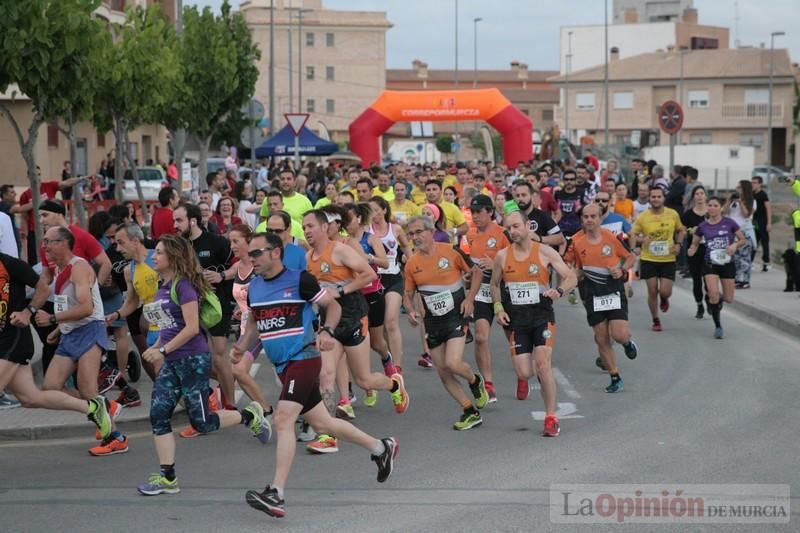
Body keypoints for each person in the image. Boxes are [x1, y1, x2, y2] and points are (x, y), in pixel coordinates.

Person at [237, 232, 398, 518]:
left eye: (257, 253)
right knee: (324, 424)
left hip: (305, 358)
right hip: (282, 366)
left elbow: (332, 306)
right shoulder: (255, 287)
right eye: (250, 255)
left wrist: (326, 331)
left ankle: (276, 492)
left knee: (283, 418)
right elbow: (253, 322)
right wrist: (240, 347)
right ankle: (380, 447)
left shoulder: (300, 280)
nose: (252, 259)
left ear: (275, 253)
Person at [136, 234, 270, 496]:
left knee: (203, 423)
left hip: (192, 360)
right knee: (158, 415)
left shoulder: (184, 285)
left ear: (173, 257)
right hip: (173, 360)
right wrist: (154, 349)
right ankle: (168, 477)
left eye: (160, 253)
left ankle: (250, 415)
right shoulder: (163, 288)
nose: (154, 256)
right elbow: (168, 328)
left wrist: (162, 350)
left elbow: (192, 327)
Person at [303, 210, 408, 453]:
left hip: (353, 317)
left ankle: (394, 385)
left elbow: (369, 275)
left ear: (324, 227)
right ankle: (328, 436)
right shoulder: (309, 257)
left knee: (363, 380)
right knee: (326, 374)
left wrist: (339, 292)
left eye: (310, 226)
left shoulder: (340, 250)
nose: (307, 231)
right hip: (329, 322)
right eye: (304, 226)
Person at [33, 226, 129, 456]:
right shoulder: (59, 270)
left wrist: (53, 318)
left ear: (64, 243)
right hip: (70, 333)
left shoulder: (79, 267)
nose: (44, 246)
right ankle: (104, 407)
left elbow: (87, 308)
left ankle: (115, 437)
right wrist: (59, 328)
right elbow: (69, 304)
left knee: (87, 388)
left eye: (49, 241)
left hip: (90, 329)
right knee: (50, 387)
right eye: (44, 241)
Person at [0, 250, 114, 441]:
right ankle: (94, 407)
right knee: (30, 398)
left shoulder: (10, 264)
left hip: (13, 338)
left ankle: (109, 429)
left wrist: (28, 313)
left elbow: (43, 288)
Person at [490, 210, 575, 434]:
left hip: (541, 316)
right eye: (509, 228)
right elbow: (493, 284)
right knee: (524, 371)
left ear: (529, 226)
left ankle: (550, 417)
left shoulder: (544, 252)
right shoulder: (501, 256)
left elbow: (571, 276)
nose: (513, 232)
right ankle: (523, 379)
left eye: (516, 226)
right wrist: (498, 308)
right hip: (517, 319)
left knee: (543, 364)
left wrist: (558, 290)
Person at [403, 215, 488, 430]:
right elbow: (407, 294)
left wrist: (470, 299)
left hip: (456, 315)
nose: (415, 237)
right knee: (442, 370)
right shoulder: (412, 263)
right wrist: (411, 311)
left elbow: (476, 273)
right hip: (433, 321)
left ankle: (475, 380)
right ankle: (470, 411)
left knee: (452, 362)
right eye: (411, 234)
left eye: (418, 232)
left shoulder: (450, 251)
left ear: (431, 231)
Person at [173, 204, 236, 419]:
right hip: (191, 306)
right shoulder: (178, 246)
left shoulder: (217, 242)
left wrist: (223, 275)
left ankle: (230, 404)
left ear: (192, 221)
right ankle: (212, 393)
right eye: (174, 221)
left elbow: (240, 263)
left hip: (217, 305)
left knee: (218, 356)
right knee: (197, 357)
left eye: (179, 221)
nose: (175, 225)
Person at [571, 204, 638, 393]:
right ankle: (615, 377)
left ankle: (626, 343)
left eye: (593, 216)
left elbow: (630, 257)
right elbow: (577, 268)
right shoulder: (577, 242)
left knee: (619, 334)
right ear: (582, 219)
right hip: (592, 294)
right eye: (586, 217)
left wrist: (622, 269)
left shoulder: (611, 237)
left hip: (613, 290)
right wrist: (571, 281)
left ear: (600, 218)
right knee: (601, 339)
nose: (589, 220)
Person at [88, 212, 139, 406]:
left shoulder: (93, 242)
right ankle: (121, 374)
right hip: (112, 291)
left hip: (98, 291)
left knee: (101, 334)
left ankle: (105, 374)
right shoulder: (110, 242)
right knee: (120, 334)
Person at [465, 194, 510, 403]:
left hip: (504, 291)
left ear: (490, 212)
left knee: (516, 340)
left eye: (479, 212)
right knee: (481, 336)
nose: (475, 216)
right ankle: (488, 383)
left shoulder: (503, 234)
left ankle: (522, 376)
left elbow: (517, 261)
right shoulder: (471, 236)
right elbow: (473, 266)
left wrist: (496, 266)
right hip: (482, 292)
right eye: (472, 212)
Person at [222, 225, 272, 412]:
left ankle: (305, 414)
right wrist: (240, 308)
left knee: (283, 376)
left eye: (236, 241)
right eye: (230, 242)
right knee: (239, 370)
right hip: (249, 329)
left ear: (248, 241)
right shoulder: (236, 267)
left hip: (268, 326)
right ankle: (265, 410)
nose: (232, 246)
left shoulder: (260, 266)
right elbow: (223, 278)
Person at [688, 197, 746, 339]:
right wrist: (692, 249)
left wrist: (734, 245)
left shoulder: (729, 223)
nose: (712, 207)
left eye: (715, 205)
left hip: (727, 264)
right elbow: (695, 243)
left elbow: (743, 240)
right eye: (710, 205)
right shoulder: (702, 226)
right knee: (713, 293)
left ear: (720, 208)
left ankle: (714, 302)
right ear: (707, 208)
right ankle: (718, 326)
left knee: (728, 299)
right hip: (710, 264)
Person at [110, 222, 160, 383]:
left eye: (120, 242)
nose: (118, 249)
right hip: (153, 329)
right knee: (162, 373)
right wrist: (117, 314)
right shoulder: (128, 271)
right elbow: (132, 302)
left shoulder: (160, 257)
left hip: (173, 327)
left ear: (135, 240)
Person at [631, 186, 685, 332]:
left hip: (668, 258)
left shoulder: (672, 214)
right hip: (648, 258)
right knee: (652, 290)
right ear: (649, 198)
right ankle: (656, 319)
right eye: (653, 196)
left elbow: (681, 230)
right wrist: (642, 241)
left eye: (658, 196)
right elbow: (633, 235)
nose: (656, 199)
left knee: (665, 291)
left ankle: (665, 299)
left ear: (663, 198)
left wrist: (679, 244)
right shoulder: (643, 217)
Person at [368, 197, 413, 373]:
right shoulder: (367, 231)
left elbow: (406, 247)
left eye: (376, 210)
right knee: (381, 329)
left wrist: (412, 264)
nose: (374, 214)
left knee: (392, 321)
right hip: (374, 280)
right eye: (370, 211)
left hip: (393, 279)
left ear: (384, 210)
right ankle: (388, 359)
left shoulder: (395, 229)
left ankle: (397, 367)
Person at [681, 186, 709, 319]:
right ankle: (699, 305)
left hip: (709, 249)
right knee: (697, 279)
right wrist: (690, 231)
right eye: (697, 194)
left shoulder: (711, 212)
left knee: (709, 278)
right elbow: (682, 232)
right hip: (694, 250)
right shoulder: (688, 214)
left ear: (705, 196)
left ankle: (711, 300)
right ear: (693, 197)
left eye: (702, 193)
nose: (699, 196)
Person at [512, 181, 566, 247]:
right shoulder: (512, 217)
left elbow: (560, 238)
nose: (520, 198)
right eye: (517, 196)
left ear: (532, 196)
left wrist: (539, 238)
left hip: (538, 255)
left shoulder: (542, 216)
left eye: (524, 195)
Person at [725, 180, 756, 289]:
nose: (737, 189)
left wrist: (740, 202)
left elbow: (746, 215)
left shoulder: (752, 201)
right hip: (732, 233)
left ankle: (745, 281)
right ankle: (738, 279)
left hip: (744, 232)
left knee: (744, 258)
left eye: (739, 187)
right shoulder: (733, 201)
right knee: (736, 258)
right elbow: (724, 212)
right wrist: (729, 201)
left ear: (744, 189)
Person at [553, 169, 584, 238]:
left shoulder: (582, 193)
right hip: (561, 231)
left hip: (577, 230)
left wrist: (580, 208)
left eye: (571, 179)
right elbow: (553, 211)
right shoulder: (558, 194)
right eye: (566, 179)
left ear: (575, 180)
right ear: (563, 180)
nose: (569, 181)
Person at [751, 176, 771, 272]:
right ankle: (750, 262)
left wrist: (769, 223)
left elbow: (768, 208)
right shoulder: (751, 194)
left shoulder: (763, 195)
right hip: (754, 222)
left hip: (762, 222)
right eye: (752, 182)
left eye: (755, 182)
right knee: (753, 242)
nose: (753, 184)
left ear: (760, 184)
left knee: (764, 243)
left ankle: (766, 263)